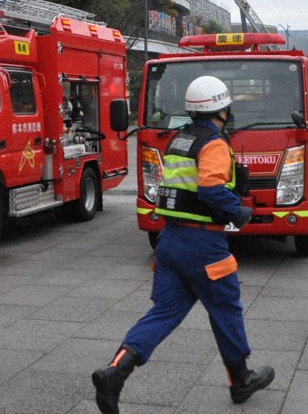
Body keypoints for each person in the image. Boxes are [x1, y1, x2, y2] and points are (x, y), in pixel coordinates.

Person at [91, 76, 273, 414]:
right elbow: (209, 189)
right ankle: (241, 380)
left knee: (164, 312)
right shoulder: (214, 143)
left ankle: (115, 371)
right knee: (226, 309)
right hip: (204, 244)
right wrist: (239, 212)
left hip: (170, 241)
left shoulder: (179, 139)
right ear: (222, 108)